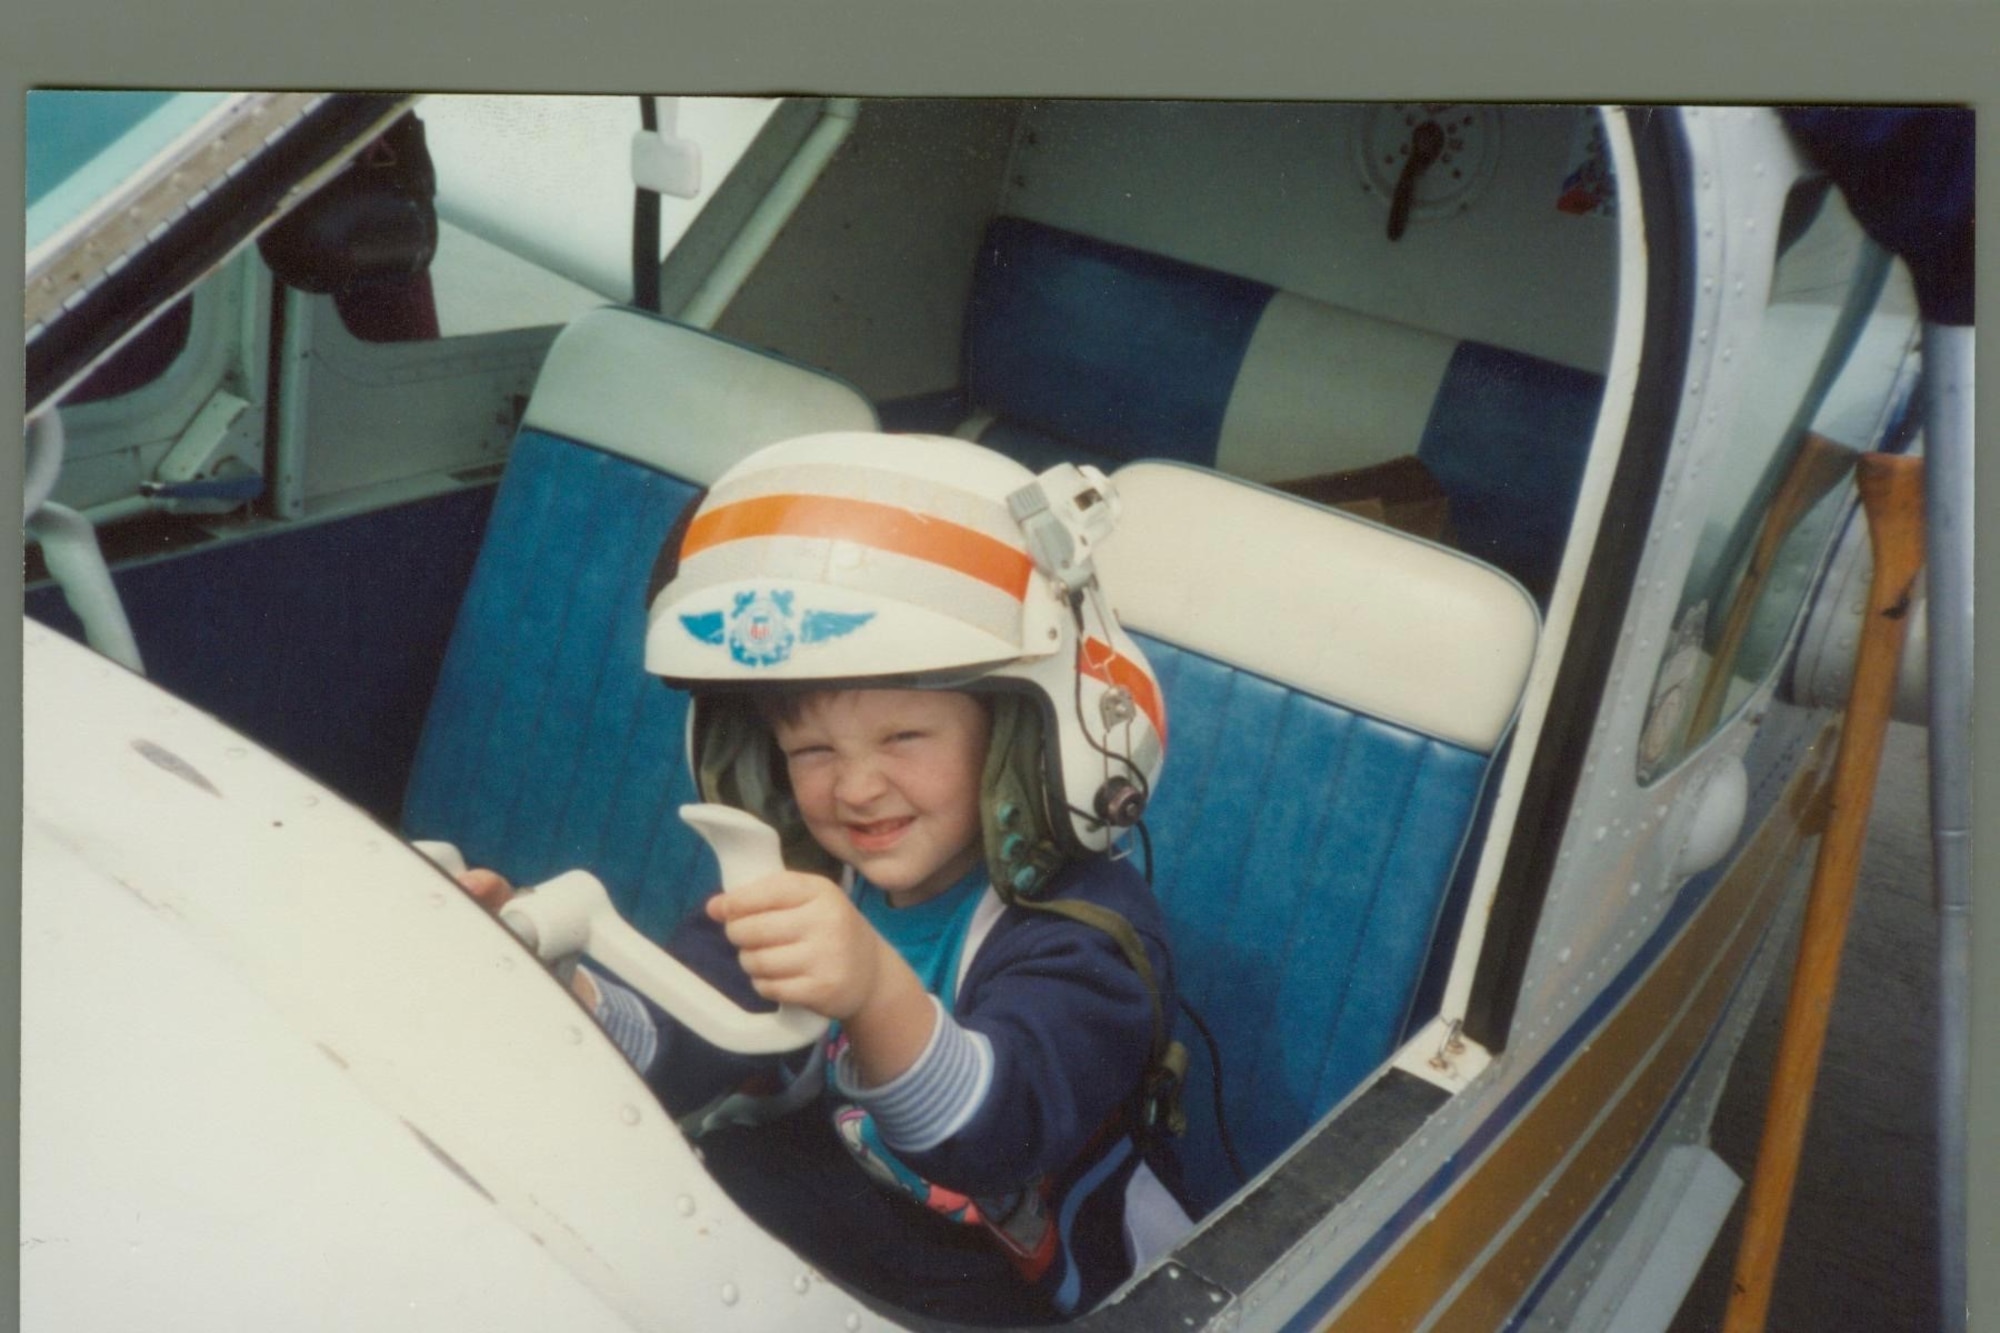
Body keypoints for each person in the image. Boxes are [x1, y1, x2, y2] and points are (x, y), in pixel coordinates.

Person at [458, 432, 1189, 1324]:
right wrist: (557, 989)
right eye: (810, 750)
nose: (855, 786)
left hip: (1009, 1285)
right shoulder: (818, 878)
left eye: (902, 738)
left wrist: (874, 986)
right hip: (839, 1230)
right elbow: (684, 1038)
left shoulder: (1088, 933)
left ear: (1018, 741)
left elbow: (993, 1134)